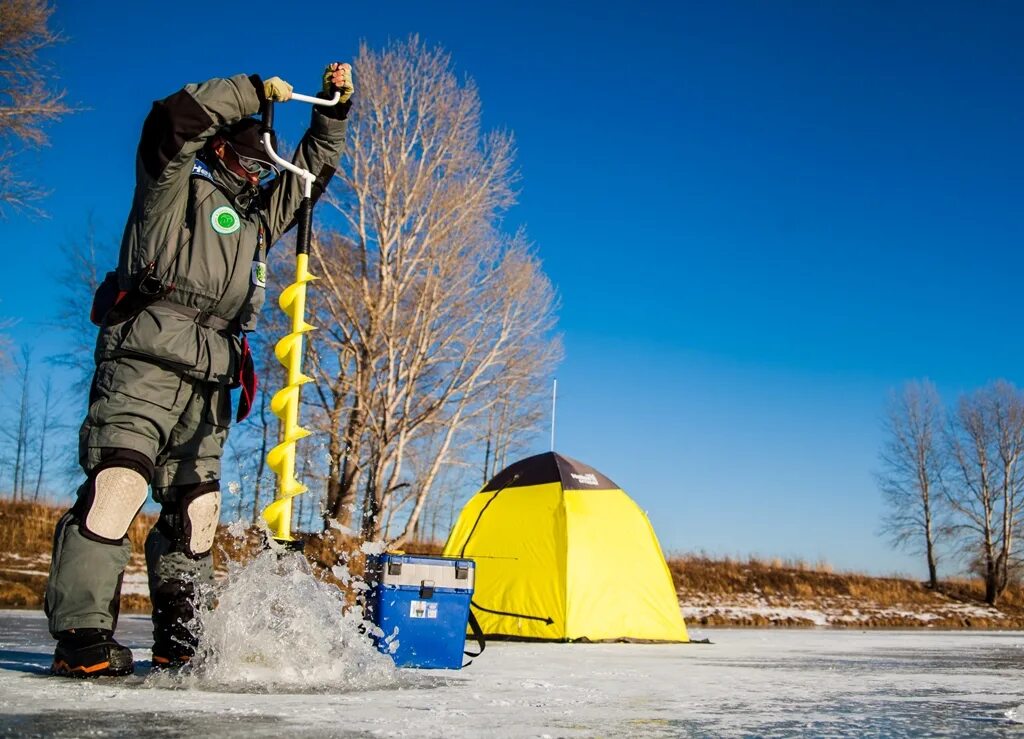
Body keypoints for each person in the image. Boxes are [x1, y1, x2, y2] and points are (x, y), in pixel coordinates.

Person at [43, 62, 354, 677]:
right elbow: (171, 121)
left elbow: (308, 177)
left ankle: (180, 639)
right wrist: (250, 89)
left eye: (267, 167)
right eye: (253, 161)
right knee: (118, 486)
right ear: (222, 150)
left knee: (197, 510)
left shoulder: (256, 222)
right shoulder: (173, 185)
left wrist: (331, 114)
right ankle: (82, 635)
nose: (261, 173)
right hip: (145, 359)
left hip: (214, 374)